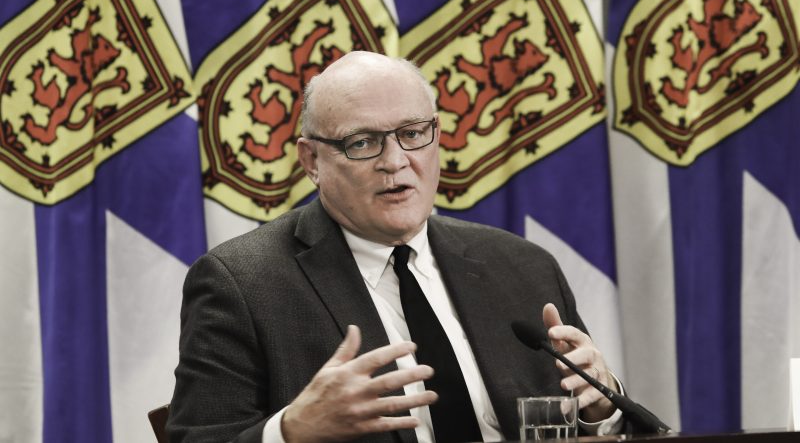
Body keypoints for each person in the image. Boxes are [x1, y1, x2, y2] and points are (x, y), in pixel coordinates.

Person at [168, 51, 622, 442]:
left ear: (437, 135)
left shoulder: (522, 266)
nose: (394, 161)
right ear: (311, 160)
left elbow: (577, 423)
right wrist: (292, 430)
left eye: (411, 134)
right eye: (362, 142)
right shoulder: (242, 283)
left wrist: (598, 407)